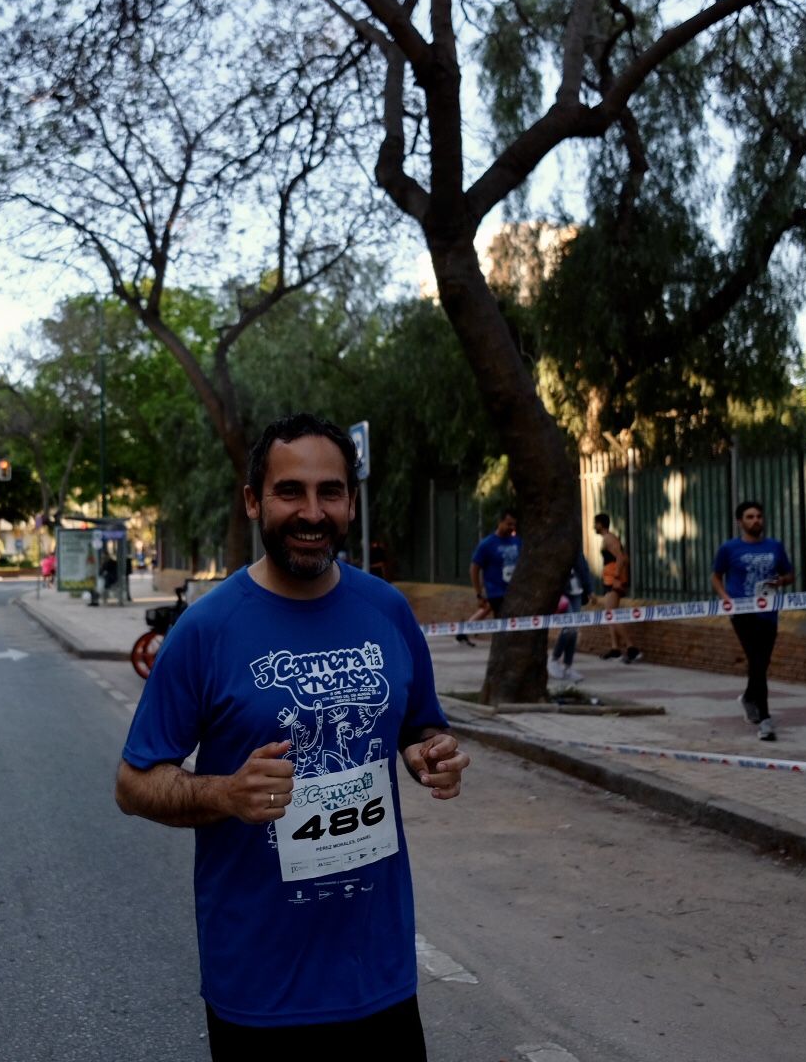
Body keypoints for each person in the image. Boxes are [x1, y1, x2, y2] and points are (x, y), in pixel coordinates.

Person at [117, 413, 468, 1057]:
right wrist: (225, 794)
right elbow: (133, 783)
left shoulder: (386, 610)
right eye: (290, 492)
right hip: (260, 987)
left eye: (329, 491)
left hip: (379, 975)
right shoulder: (207, 630)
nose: (313, 512)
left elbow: (422, 725)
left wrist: (428, 755)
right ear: (254, 501)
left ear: (350, 502)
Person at [712, 501, 795, 742]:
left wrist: (779, 581)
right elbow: (716, 576)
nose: (755, 520)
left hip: (768, 612)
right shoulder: (729, 548)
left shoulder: (775, 546)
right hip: (742, 613)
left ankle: (749, 697)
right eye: (750, 517)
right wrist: (726, 599)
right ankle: (765, 719)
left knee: (762, 662)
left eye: (759, 516)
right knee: (757, 662)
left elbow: (789, 574)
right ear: (740, 521)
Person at [459, 508, 522, 646]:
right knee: (502, 624)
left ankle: (464, 630)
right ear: (500, 522)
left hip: (515, 592)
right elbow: (474, 569)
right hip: (497, 592)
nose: (511, 528)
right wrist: (478, 593)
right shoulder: (487, 544)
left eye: (513, 525)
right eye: (508, 524)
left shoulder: (517, 542)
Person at [593, 513, 641, 663]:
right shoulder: (607, 539)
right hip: (609, 580)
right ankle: (615, 649)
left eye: (595, 523)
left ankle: (632, 648)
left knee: (611, 615)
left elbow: (621, 557)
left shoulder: (609, 539)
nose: (593, 526)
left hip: (614, 580)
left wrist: (617, 577)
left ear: (601, 524)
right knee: (609, 615)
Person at [547, 547, 599, 684]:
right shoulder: (554, 547)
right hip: (562, 592)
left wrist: (590, 590)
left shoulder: (576, 549)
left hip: (577, 591)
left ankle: (568, 667)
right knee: (569, 627)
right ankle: (554, 659)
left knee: (574, 630)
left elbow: (584, 569)